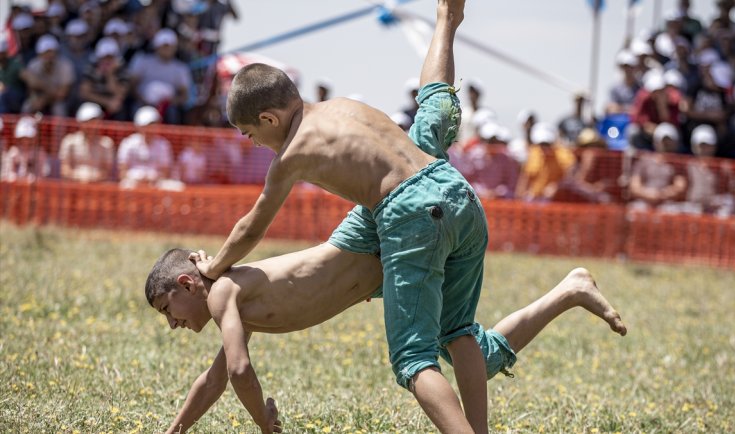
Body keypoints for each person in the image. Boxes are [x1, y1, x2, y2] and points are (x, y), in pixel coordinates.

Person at [190, 2, 511, 432]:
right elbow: (430, 109)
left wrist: (214, 266)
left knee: (413, 359)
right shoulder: (342, 106)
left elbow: (253, 225)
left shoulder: (293, 154)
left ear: (269, 118)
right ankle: (446, 21)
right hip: (457, 192)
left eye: (252, 135)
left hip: (411, 213)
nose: (255, 144)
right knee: (456, 330)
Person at [146, 247, 626, 434]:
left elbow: (237, 371)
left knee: (432, 358)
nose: (173, 324)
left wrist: (267, 430)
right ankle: (569, 291)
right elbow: (215, 380)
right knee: (471, 352)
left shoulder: (224, 291)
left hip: (390, 253)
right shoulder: (233, 297)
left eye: (168, 311)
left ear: (187, 285)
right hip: (382, 274)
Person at [58, 102, 115, 183]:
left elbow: (107, 171)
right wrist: (80, 178)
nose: (92, 125)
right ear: (80, 122)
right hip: (74, 185)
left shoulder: (107, 143)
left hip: (97, 186)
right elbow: (65, 170)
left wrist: (91, 179)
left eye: (95, 121)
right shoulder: (69, 141)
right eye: (87, 121)